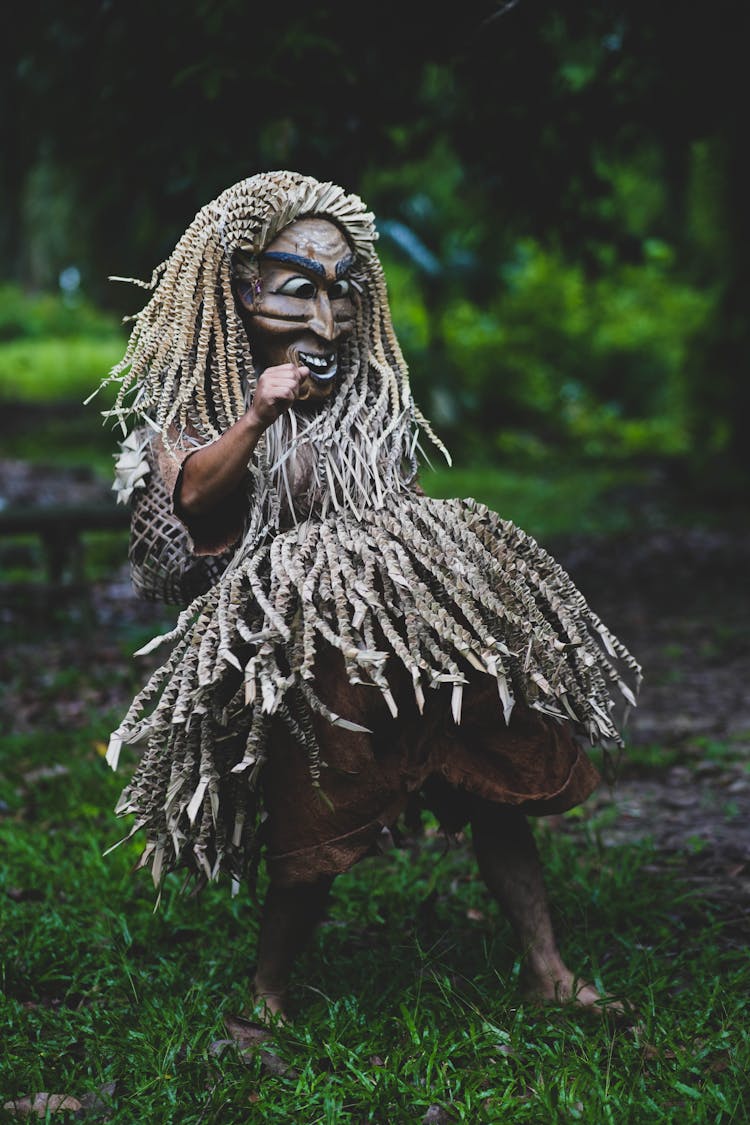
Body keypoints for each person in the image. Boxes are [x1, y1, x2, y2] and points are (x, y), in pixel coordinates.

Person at [98, 171, 640, 1022]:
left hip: (409, 628)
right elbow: (195, 500)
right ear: (241, 288)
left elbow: (397, 488)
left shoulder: (363, 397)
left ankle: (548, 971)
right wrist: (257, 413)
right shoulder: (198, 400)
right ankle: (268, 994)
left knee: (496, 771)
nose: (326, 319)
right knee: (313, 808)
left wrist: (436, 564)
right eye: (299, 290)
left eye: (341, 294)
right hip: (307, 646)